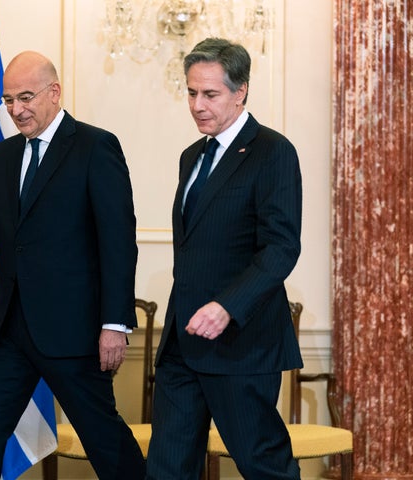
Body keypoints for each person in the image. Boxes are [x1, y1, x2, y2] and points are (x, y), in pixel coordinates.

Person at [0, 50, 146, 480]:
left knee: (105, 442)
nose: (16, 110)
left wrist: (115, 322)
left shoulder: (96, 147)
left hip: (73, 332)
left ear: (54, 93)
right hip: (7, 331)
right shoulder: (2, 157)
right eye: (8, 100)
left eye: (25, 97)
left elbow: (118, 241)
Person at [145, 38, 304, 479]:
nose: (197, 105)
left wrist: (227, 307)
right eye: (191, 92)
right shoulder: (191, 157)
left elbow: (281, 248)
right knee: (167, 469)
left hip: (241, 345)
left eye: (210, 94)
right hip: (182, 343)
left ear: (241, 91)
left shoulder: (273, 151)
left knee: (263, 465)